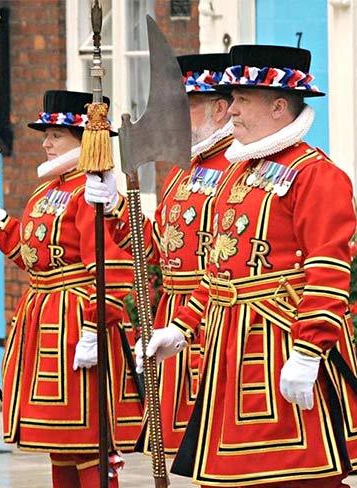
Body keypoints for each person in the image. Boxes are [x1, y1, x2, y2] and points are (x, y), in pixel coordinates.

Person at [143, 44, 357, 486]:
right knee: (228, 477)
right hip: (230, 346)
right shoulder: (236, 174)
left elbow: (328, 271)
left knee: (300, 476)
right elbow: (219, 270)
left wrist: (308, 350)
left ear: (279, 105)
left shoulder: (316, 174)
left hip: (283, 344)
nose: (233, 111)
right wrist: (182, 327)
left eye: (243, 100)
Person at [0, 90, 141, 487]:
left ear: (82, 139)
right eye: (45, 134)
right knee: (59, 440)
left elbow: (110, 266)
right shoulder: (46, 192)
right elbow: (33, 257)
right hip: (44, 318)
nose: (45, 143)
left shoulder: (91, 190)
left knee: (88, 441)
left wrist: (94, 326)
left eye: (55, 136)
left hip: (76, 322)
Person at [88, 53, 235, 454]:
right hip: (172, 315)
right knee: (179, 454)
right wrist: (118, 206)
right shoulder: (183, 171)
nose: (172, 116)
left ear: (219, 109)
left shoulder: (235, 169)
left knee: (219, 450)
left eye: (183, 106)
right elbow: (155, 247)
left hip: (212, 319)